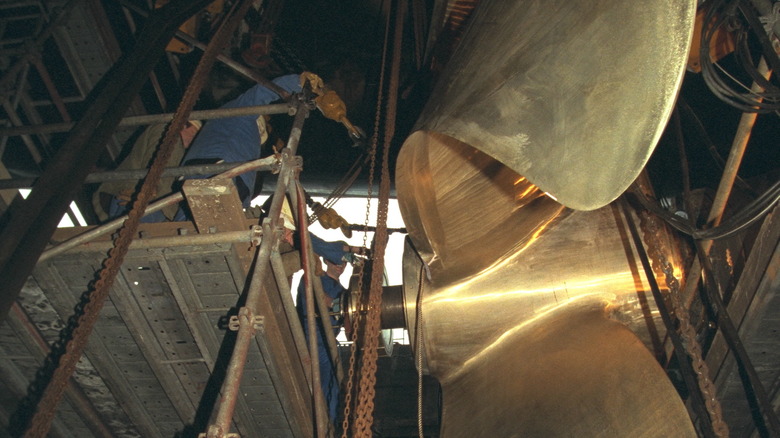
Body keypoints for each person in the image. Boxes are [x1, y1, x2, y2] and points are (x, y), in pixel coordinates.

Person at [177, 74, 302, 214]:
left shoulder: (248, 140)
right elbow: (262, 93)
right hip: (215, 173)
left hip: (219, 182)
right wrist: (301, 83)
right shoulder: (237, 115)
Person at [92, 120, 201, 223]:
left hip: (140, 199)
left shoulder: (179, 149)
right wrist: (149, 190)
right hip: (135, 197)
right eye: (194, 134)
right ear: (184, 125)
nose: (194, 141)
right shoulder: (169, 132)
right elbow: (161, 164)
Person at [296, 253, 349, 424]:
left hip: (328, 344)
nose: (340, 265)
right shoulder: (311, 279)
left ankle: (328, 425)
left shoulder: (343, 291)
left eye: (344, 262)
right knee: (315, 385)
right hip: (312, 338)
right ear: (326, 260)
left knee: (333, 386)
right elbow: (321, 299)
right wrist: (341, 304)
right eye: (336, 259)